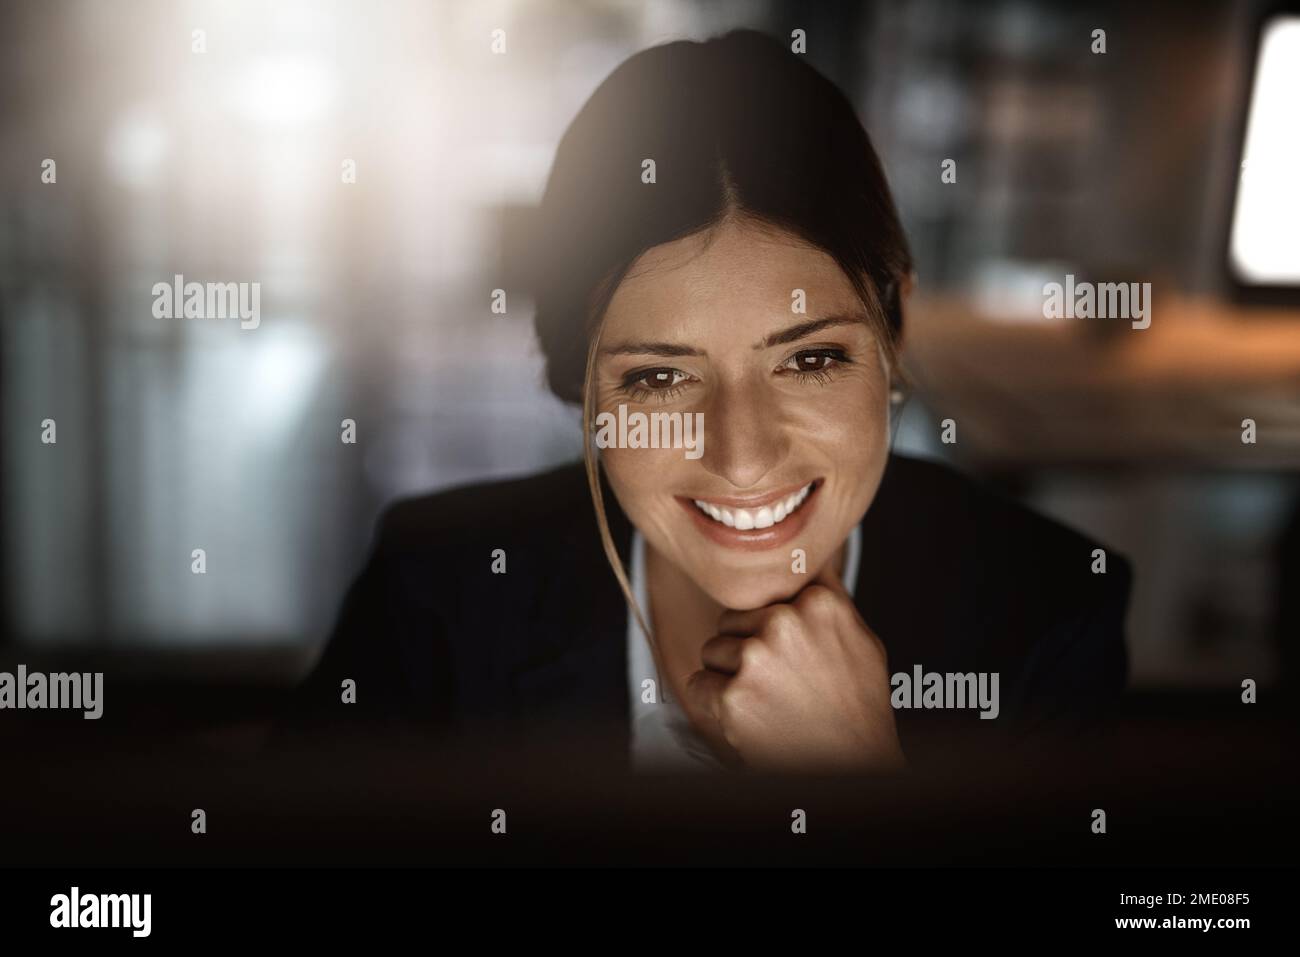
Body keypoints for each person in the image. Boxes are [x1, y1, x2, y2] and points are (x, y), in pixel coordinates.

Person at [284, 30, 1131, 773]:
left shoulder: (1047, 616)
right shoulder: (437, 594)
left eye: (810, 358)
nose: (742, 454)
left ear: (895, 329)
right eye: (658, 376)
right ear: (585, 383)